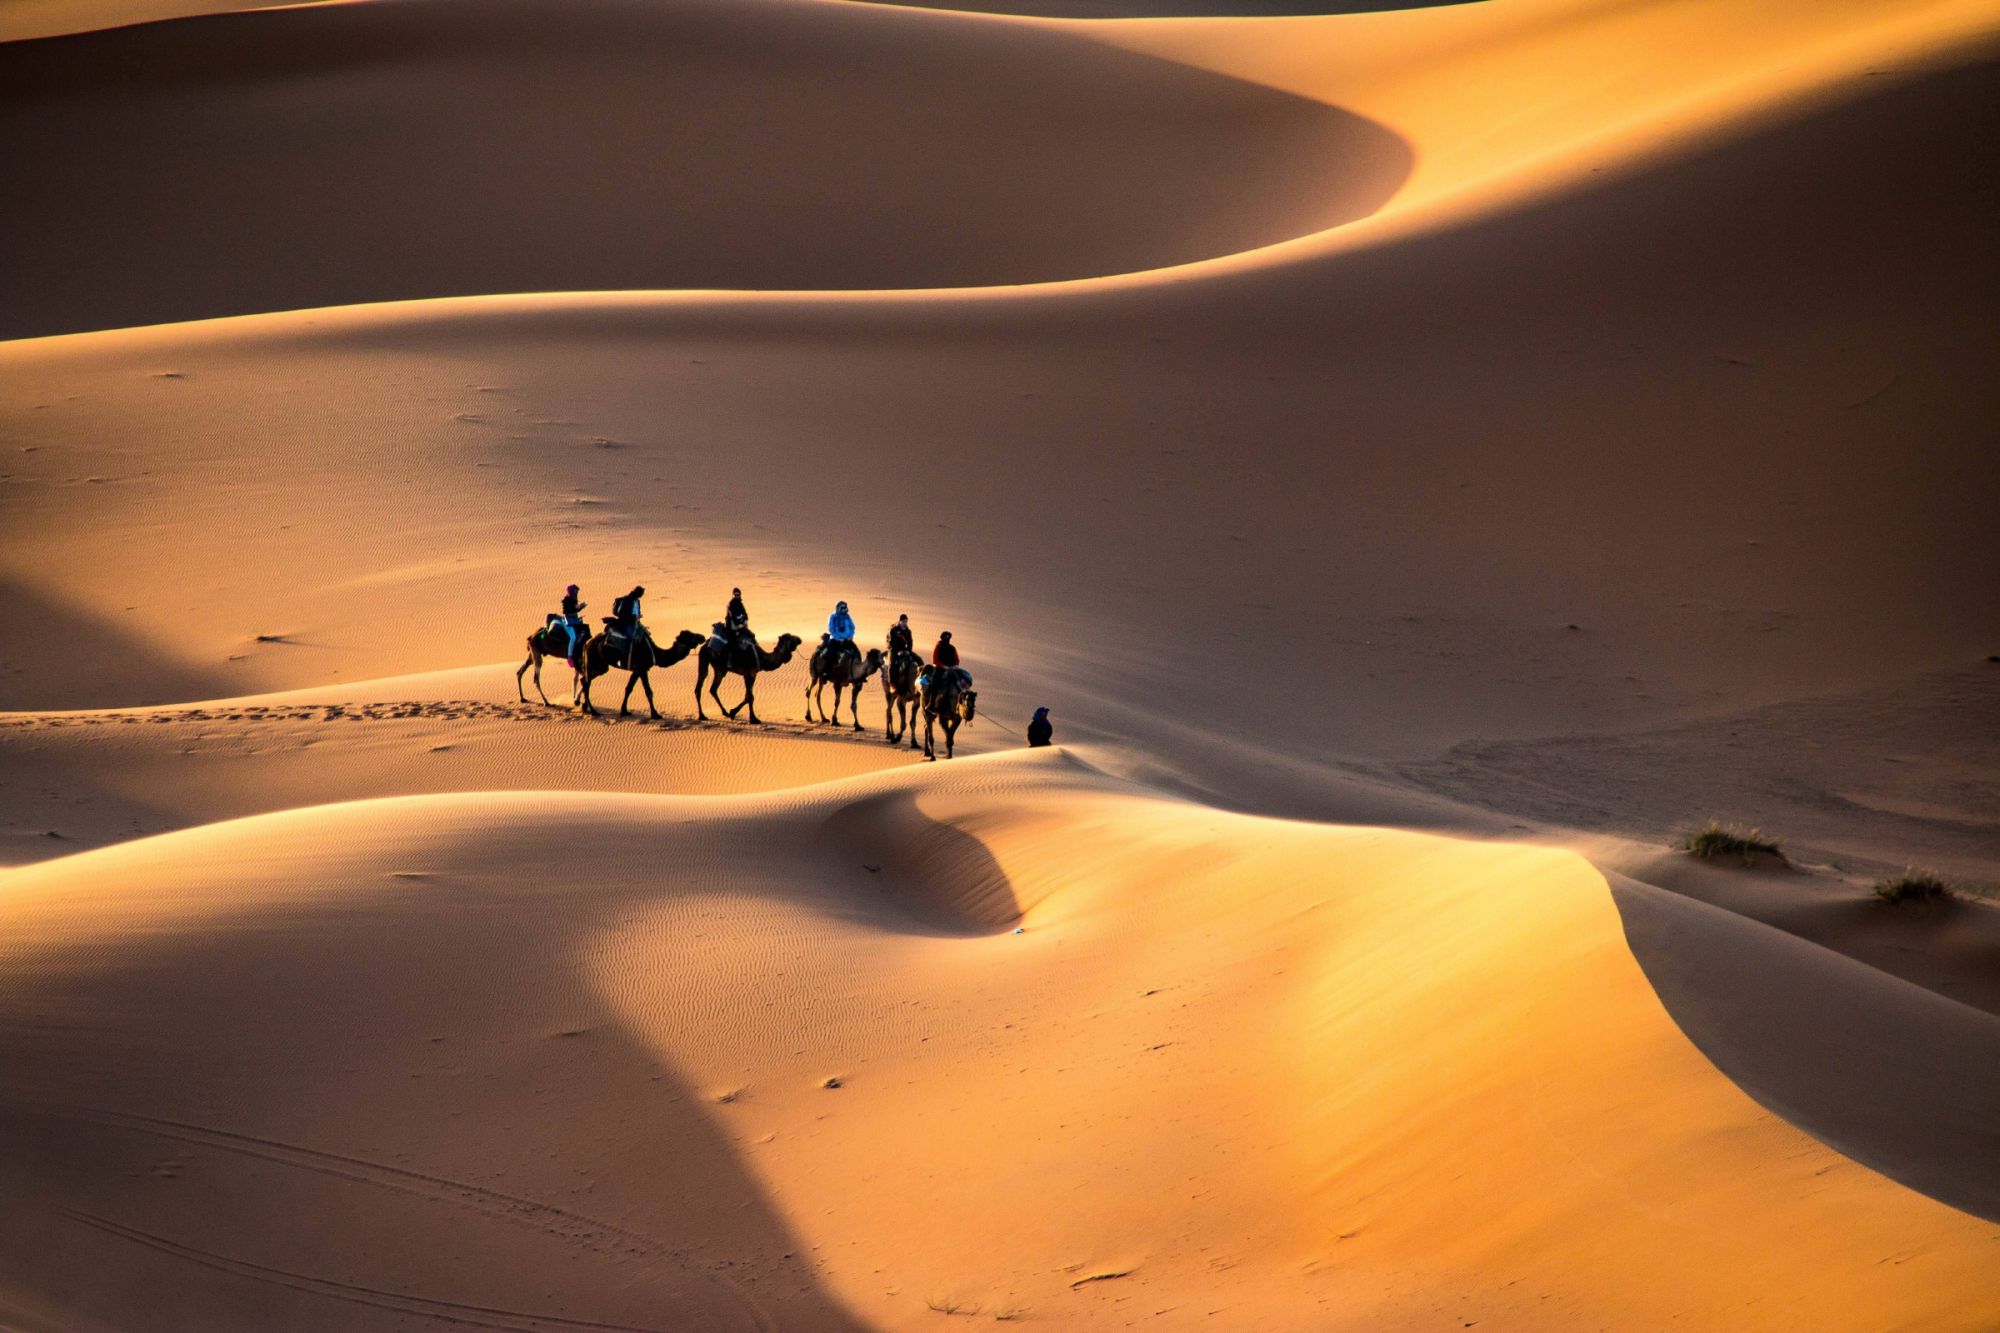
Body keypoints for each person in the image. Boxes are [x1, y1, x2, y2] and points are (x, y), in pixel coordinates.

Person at [559, 584, 586, 664]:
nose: (576, 594)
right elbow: (568, 612)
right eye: (575, 592)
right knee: (573, 637)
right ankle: (570, 656)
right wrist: (578, 608)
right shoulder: (567, 601)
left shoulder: (573, 600)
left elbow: (574, 610)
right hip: (568, 622)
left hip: (574, 621)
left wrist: (580, 608)